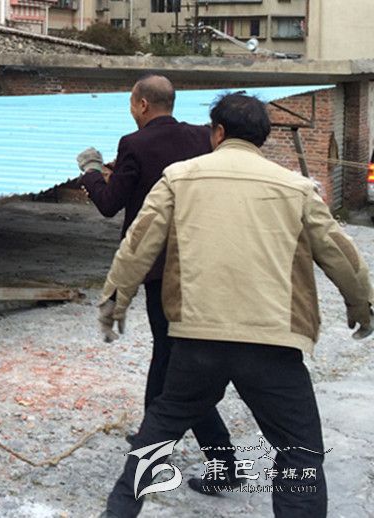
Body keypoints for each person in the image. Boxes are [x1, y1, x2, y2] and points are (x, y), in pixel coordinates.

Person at [97, 92, 373, 517]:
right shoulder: (296, 187)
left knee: (155, 438)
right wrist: (361, 306)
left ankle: (118, 512)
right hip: (273, 343)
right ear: (262, 138)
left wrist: (115, 302)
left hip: (197, 340)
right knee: (299, 453)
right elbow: (341, 254)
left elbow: (139, 243)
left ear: (218, 132)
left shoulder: (178, 178)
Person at [76, 74, 237, 493]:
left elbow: (110, 203)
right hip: (203, 262)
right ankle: (153, 435)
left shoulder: (134, 143)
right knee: (167, 355)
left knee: (178, 363)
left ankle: (222, 462)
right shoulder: (202, 136)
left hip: (159, 269)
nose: (131, 110)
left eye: (132, 103)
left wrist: (91, 171)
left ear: (142, 105)